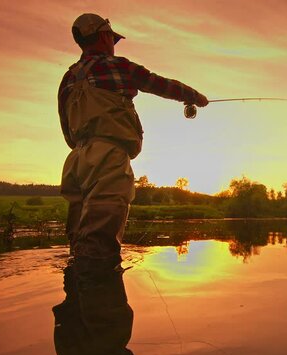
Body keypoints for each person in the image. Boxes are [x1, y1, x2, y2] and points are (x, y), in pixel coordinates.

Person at [58, 13, 208, 263]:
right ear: (105, 35)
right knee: (101, 241)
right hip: (108, 156)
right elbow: (159, 84)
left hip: (76, 162)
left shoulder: (67, 79)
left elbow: (66, 129)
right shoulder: (118, 66)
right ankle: (102, 294)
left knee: (78, 238)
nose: (113, 45)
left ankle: (78, 293)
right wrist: (194, 97)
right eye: (112, 39)